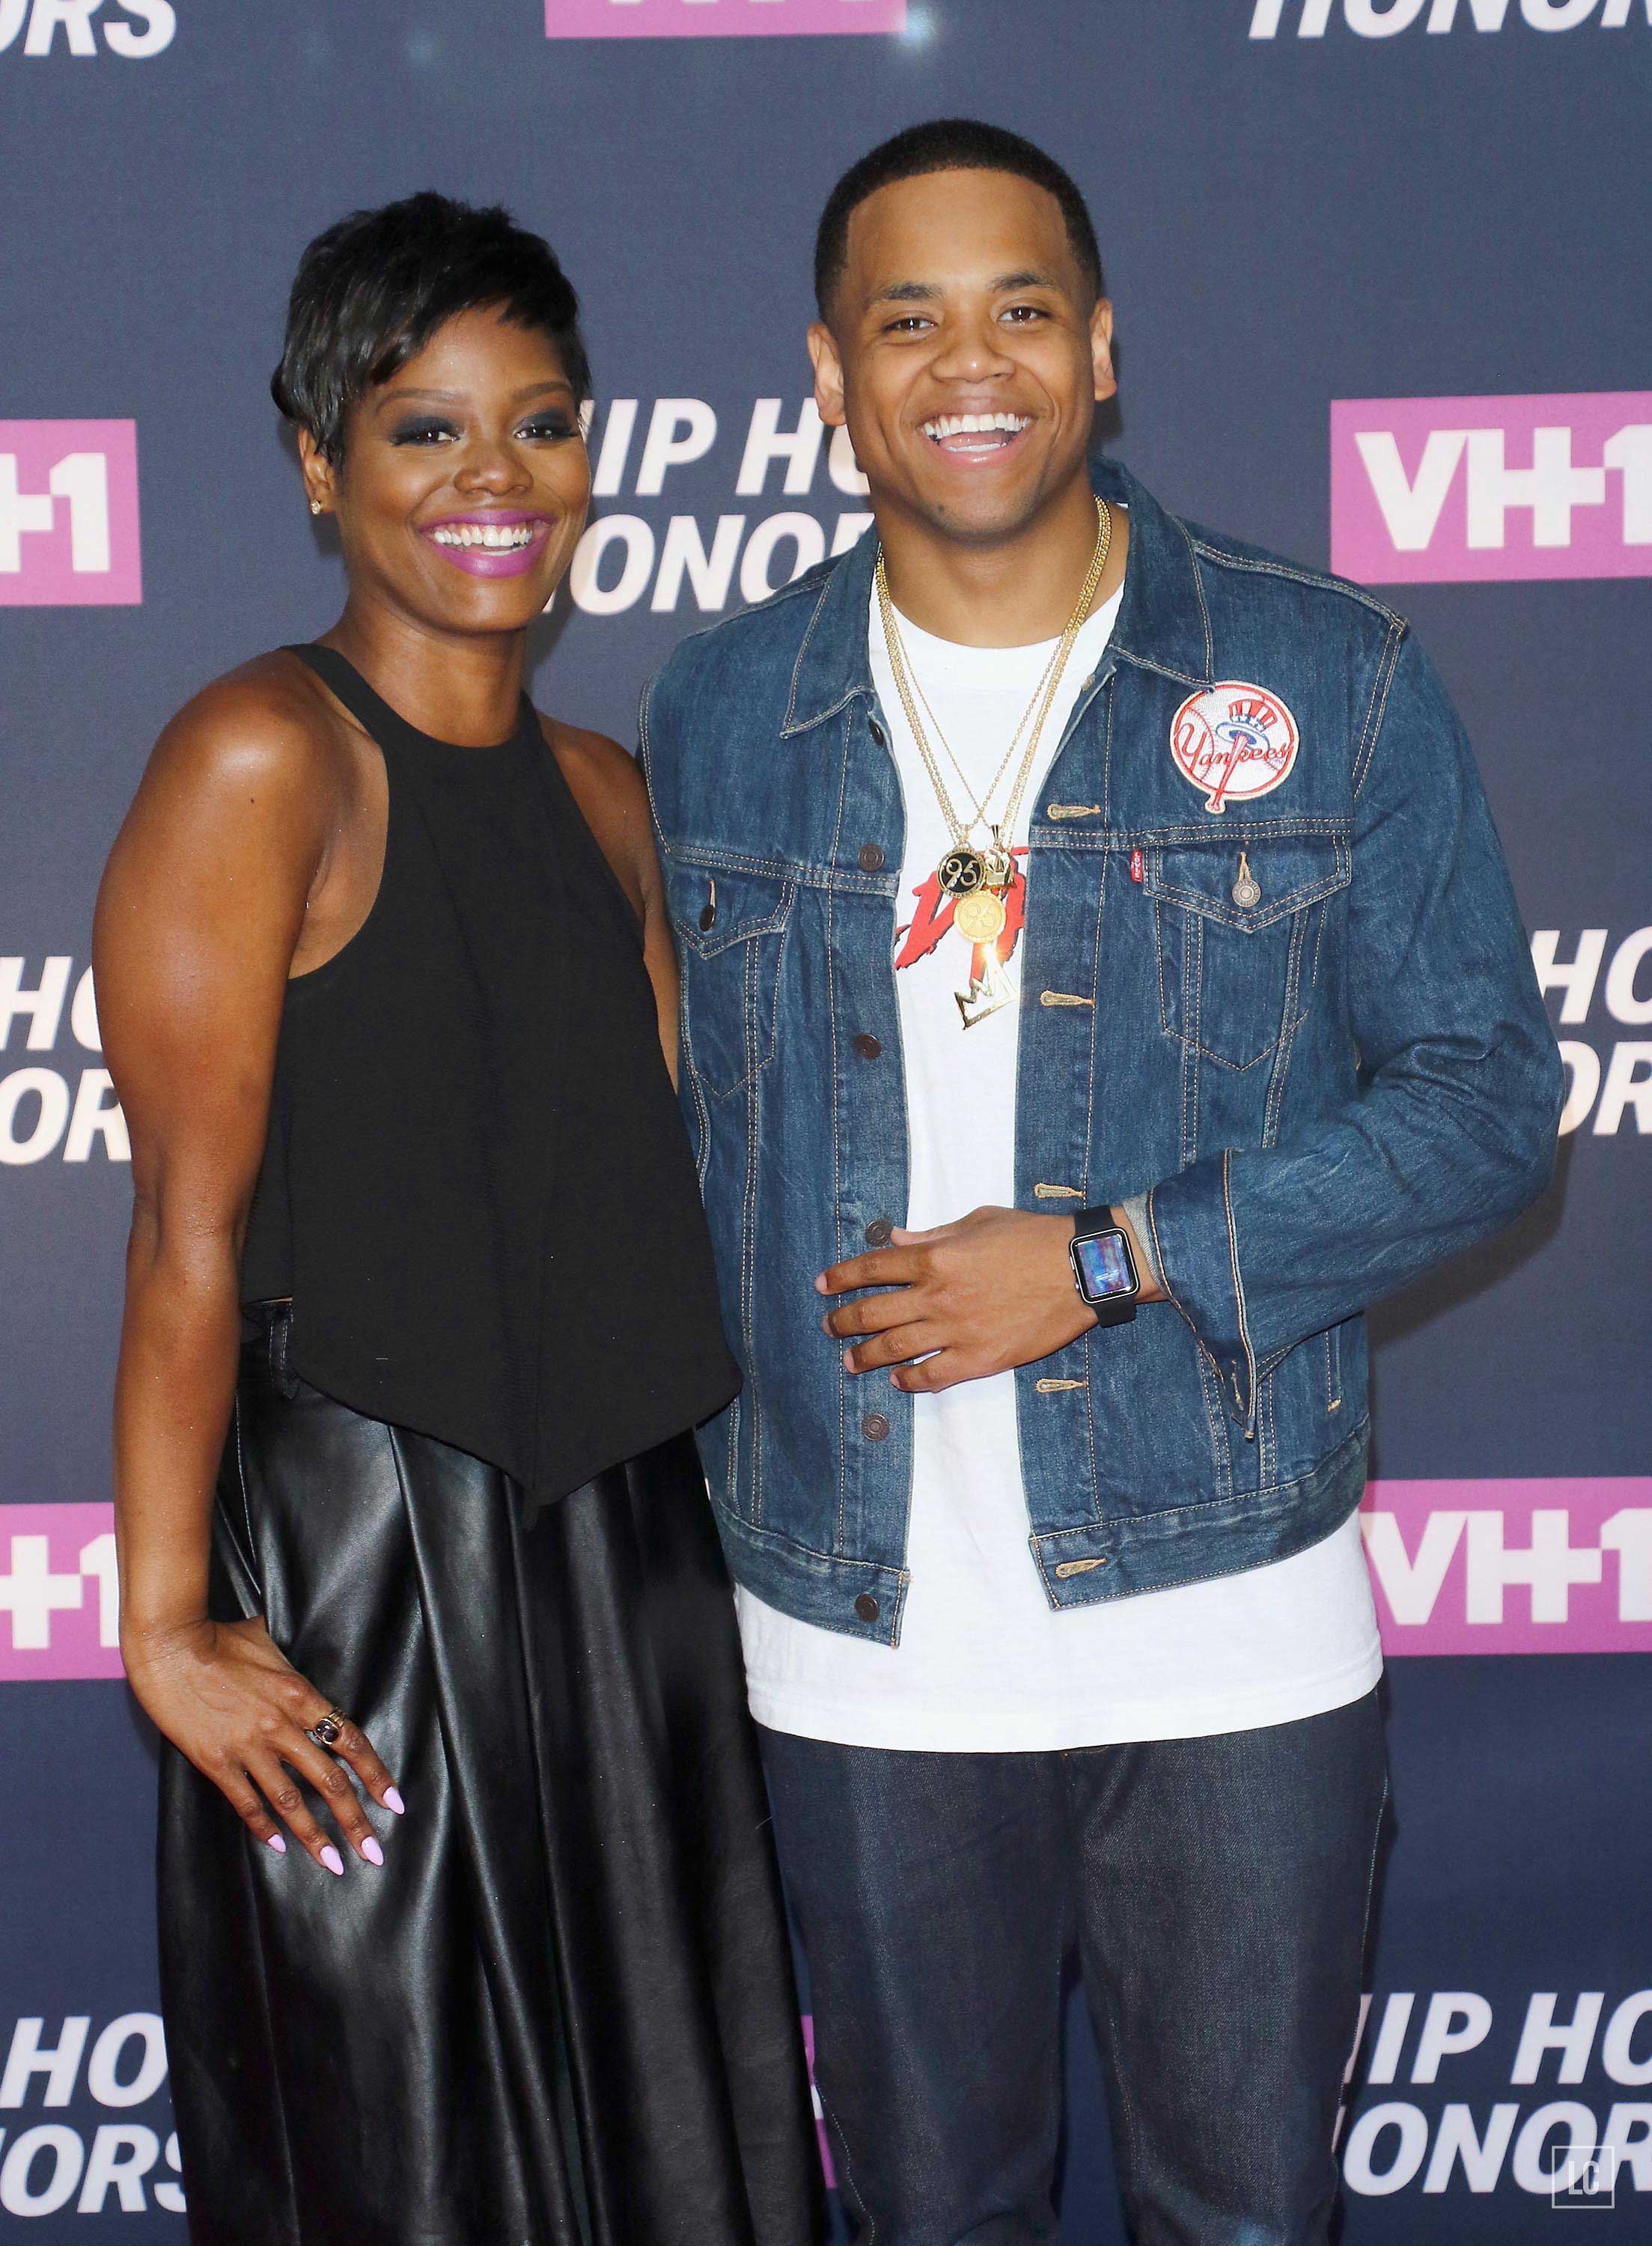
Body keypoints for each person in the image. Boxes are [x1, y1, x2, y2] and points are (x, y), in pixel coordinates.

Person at [641, 120, 1562, 2246]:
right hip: (858, 1639)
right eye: (910, 320)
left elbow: (1490, 1103)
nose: (973, 363)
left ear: (1105, 347)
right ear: (831, 375)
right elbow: (685, 1146)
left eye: (1024, 309)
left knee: (1242, 2219)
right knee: (932, 2220)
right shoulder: (727, 707)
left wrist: (1115, 1256)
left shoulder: (1325, 674)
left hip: (1234, 1635)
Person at [94, 193, 823, 2246]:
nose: (495, 478)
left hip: (633, 1574)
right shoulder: (260, 756)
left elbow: (651, 1199)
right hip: (370, 1579)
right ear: (319, 464)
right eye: (425, 429)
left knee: (672, 2159)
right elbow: (183, 1239)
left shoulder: (609, 794)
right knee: (411, 2168)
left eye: (542, 424)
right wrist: (164, 1628)